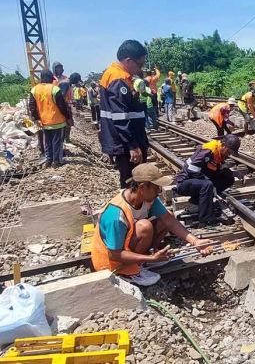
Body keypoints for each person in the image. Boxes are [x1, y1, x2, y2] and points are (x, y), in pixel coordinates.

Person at [91, 163, 214, 286]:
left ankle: (144, 259)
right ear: (143, 187)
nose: (159, 191)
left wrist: (195, 241)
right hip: (111, 263)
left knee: (165, 217)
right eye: (156, 188)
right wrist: (152, 258)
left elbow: (169, 220)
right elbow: (115, 254)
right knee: (144, 226)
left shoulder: (146, 198)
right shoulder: (116, 216)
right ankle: (129, 272)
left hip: (125, 246)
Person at [100, 40, 149, 188]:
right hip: (125, 141)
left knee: (132, 180)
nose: (140, 69)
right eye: (139, 64)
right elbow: (120, 117)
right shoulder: (118, 79)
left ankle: (135, 208)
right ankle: (132, 209)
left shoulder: (117, 76)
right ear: (128, 60)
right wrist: (132, 146)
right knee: (132, 181)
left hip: (124, 139)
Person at [175, 135, 242, 225]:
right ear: (224, 145)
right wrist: (209, 183)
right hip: (185, 183)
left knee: (228, 179)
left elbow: (220, 169)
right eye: (229, 151)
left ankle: (197, 201)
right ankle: (205, 219)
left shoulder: (219, 153)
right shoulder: (208, 151)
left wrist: (234, 174)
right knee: (207, 184)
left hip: (197, 182)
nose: (229, 154)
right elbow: (192, 170)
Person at [29, 70, 73, 167]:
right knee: (57, 141)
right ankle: (56, 162)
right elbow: (62, 106)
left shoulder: (34, 90)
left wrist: (37, 119)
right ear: (51, 79)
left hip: (44, 122)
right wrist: (68, 117)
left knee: (47, 141)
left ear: (41, 78)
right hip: (57, 121)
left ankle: (49, 160)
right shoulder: (55, 89)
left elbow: (32, 106)